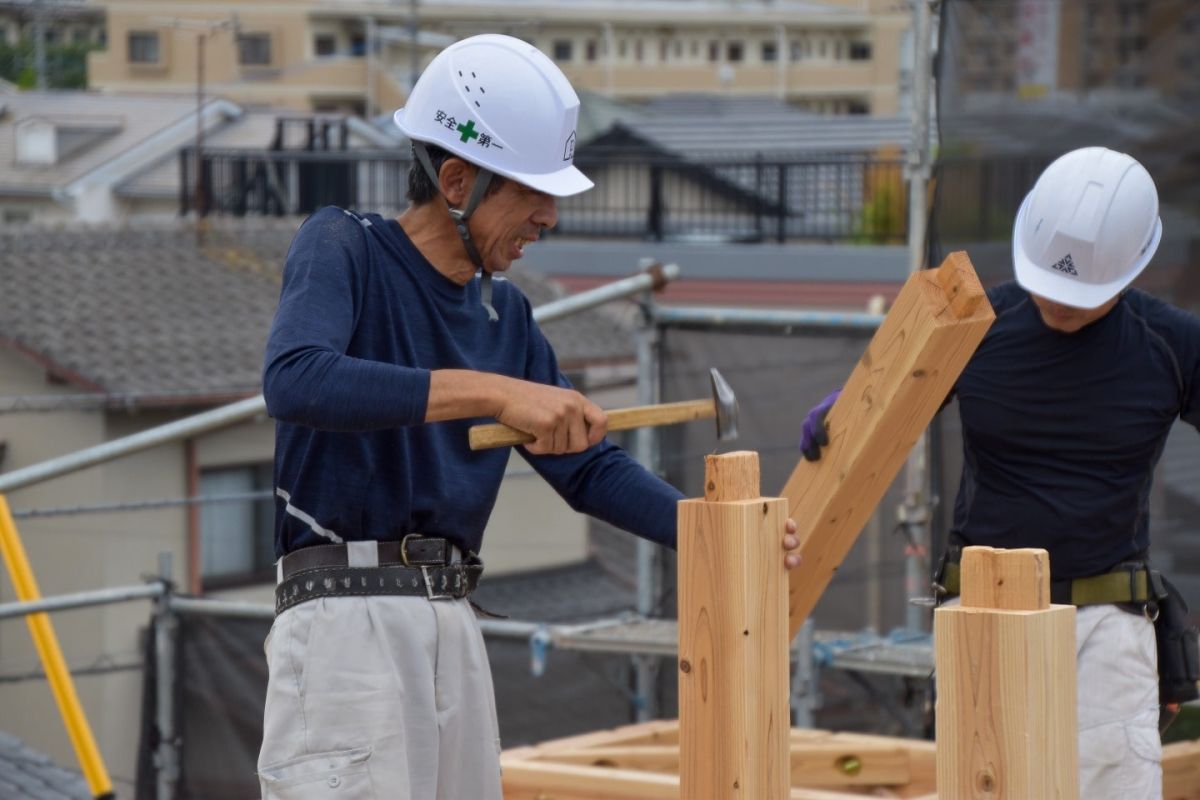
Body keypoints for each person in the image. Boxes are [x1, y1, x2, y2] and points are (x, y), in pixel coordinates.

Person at [257, 34, 800, 800]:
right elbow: (297, 379)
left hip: (452, 618)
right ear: (455, 179)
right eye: (531, 194)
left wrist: (712, 527)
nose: (548, 217)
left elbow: (588, 468)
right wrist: (495, 392)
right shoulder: (344, 245)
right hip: (347, 620)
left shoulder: (505, 316)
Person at [799, 146, 1200, 799]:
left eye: (1080, 294)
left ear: (1131, 269)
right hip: (981, 615)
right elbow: (886, 403)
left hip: (1101, 633)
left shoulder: (1172, 346)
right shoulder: (975, 327)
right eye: (1048, 282)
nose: (1058, 304)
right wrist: (851, 412)